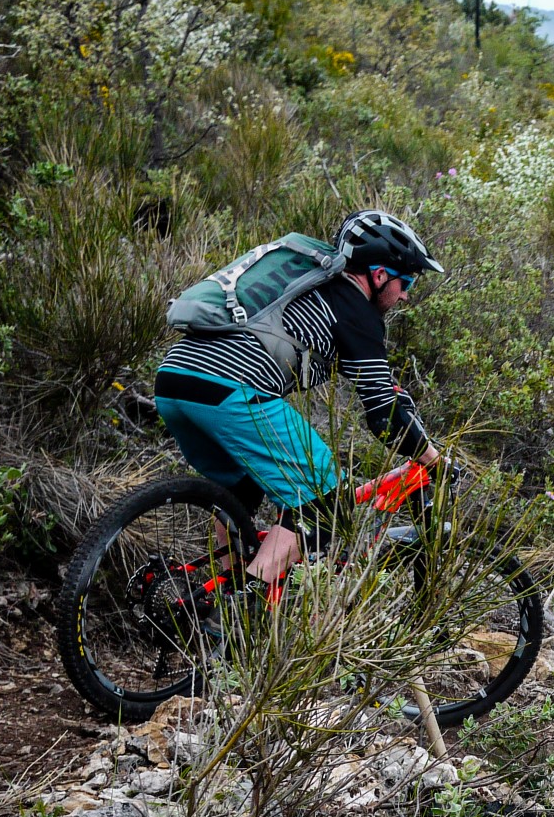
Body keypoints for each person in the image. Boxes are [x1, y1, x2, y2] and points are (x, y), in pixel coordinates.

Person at [153, 209, 445, 584]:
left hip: (174, 381)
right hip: (232, 389)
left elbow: (381, 387)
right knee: (326, 505)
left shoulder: (317, 291)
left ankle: (222, 603)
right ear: (379, 274)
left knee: (239, 489)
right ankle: (249, 610)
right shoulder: (354, 309)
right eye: (407, 283)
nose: (405, 296)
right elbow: (383, 415)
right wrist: (432, 458)